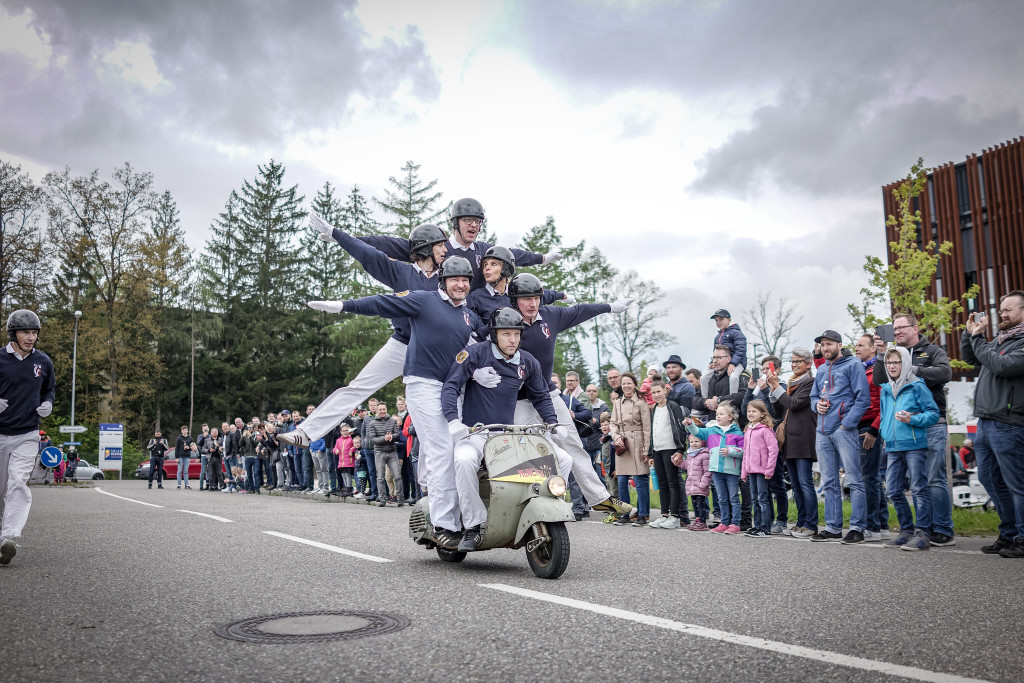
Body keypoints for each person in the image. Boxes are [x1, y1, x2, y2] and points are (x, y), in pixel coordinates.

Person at [308, 256, 485, 548]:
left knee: (459, 451)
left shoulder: (468, 315)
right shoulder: (423, 300)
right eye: (455, 279)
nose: (461, 284)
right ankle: (444, 525)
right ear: (443, 281)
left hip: (454, 389)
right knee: (441, 448)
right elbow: (381, 303)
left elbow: (495, 336)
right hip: (424, 385)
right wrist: (342, 306)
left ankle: (457, 516)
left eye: (466, 280)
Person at [279, 216, 448, 456]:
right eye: (440, 245)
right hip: (402, 344)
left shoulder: (450, 279)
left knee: (440, 409)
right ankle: (306, 432)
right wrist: (337, 233)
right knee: (357, 387)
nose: (445, 249)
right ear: (425, 248)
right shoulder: (400, 271)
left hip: (434, 351)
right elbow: (368, 253)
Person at [508, 273, 636, 522]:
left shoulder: (551, 316)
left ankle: (600, 499)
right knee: (521, 450)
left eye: (536, 297)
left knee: (574, 445)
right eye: (525, 299)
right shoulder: (506, 321)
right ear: (514, 300)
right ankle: (521, 503)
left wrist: (610, 307)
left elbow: (581, 310)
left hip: (548, 394)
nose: (532, 304)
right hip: (518, 400)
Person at [442, 307, 573, 551]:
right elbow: (450, 387)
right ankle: (473, 525)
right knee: (463, 459)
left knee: (563, 459)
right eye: (506, 334)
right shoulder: (474, 354)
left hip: (509, 433)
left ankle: (540, 512)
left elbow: (541, 395)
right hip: (476, 433)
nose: (512, 339)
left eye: (516, 334)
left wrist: (552, 422)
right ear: (493, 334)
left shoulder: (527, 360)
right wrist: (453, 421)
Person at [873, 312, 956, 547]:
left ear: (915, 328)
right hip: (900, 432)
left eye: (901, 327)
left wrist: (911, 370)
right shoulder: (891, 355)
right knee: (903, 484)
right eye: (894, 328)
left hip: (931, 424)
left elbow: (944, 373)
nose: (897, 331)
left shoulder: (932, 351)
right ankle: (919, 529)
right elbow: (879, 381)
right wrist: (882, 354)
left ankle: (942, 530)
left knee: (932, 478)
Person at [358, 198, 556, 290]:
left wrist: (543, 258)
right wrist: (347, 240)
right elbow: (390, 244)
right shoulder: (436, 247)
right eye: (468, 220)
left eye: (477, 221)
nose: (473, 225)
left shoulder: (483, 250)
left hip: (473, 320)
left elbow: (513, 254)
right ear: (455, 223)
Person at [961, 292, 1024, 558]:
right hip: (986, 423)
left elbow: (1001, 366)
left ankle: (1022, 537)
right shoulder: (1000, 340)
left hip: (1009, 423)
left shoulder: (1020, 343)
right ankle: (1009, 534)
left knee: (1016, 484)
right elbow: (971, 358)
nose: (1003, 313)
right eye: (1001, 309)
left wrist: (979, 339)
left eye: (1009, 309)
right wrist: (969, 333)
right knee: (988, 478)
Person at [0, 310, 55, 566]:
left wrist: (48, 403)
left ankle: (8, 537)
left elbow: (49, 390)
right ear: (14, 333)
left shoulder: (43, 362)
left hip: (28, 434)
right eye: (26, 332)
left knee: (17, 483)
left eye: (34, 333)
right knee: (2, 489)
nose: (31, 337)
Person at [809, 330, 870, 544]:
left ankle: (857, 528)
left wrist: (846, 424)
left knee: (854, 480)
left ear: (839, 345)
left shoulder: (853, 365)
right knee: (829, 482)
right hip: (822, 431)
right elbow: (813, 397)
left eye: (829, 344)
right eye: (822, 345)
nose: (825, 348)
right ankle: (833, 527)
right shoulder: (822, 369)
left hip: (844, 430)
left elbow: (863, 399)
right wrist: (816, 405)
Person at [878, 346, 940, 551]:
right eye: (889, 363)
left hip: (914, 445)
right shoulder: (886, 389)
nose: (892, 366)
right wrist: (885, 435)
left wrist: (912, 418)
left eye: (897, 362)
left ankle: (923, 533)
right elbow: (885, 416)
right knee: (894, 490)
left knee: (918, 489)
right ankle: (906, 530)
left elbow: (933, 414)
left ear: (905, 363)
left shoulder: (917, 386)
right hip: (892, 446)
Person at [692, 344, 752, 529]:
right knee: (717, 480)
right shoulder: (710, 378)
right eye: (713, 357)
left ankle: (744, 519)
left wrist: (719, 400)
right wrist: (706, 402)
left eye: (719, 357)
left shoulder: (740, 375)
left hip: (736, 432)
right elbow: (694, 400)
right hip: (715, 433)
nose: (715, 361)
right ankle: (722, 517)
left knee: (740, 483)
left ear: (729, 358)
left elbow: (745, 396)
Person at [766, 348, 818, 537]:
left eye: (798, 361)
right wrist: (774, 388)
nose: (794, 364)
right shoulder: (791, 384)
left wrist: (777, 387)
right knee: (795, 484)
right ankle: (801, 521)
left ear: (808, 363)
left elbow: (794, 404)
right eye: (792, 361)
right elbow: (781, 410)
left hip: (803, 438)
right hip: (790, 440)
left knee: (805, 483)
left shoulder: (811, 382)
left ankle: (811, 524)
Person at [742, 355, 788, 534]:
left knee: (776, 484)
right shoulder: (758, 389)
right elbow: (746, 408)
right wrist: (751, 389)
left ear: (776, 370)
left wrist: (768, 389)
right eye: (762, 370)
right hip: (755, 450)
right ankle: (763, 523)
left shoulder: (781, 386)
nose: (763, 373)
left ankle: (781, 520)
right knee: (760, 493)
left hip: (772, 438)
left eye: (766, 370)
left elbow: (772, 411)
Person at [466, 245, 569, 322]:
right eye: (485, 265)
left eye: (493, 264)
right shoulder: (475, 298)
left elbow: (544, 295)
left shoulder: (517, 293)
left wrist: (563, 296)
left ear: (506, 269)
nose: (487, 268)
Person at [685, 402, 744, 534]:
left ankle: (735, 523)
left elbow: (744, 450)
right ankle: (724, 522)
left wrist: (731, 450)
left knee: (733, 498)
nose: (718, 416)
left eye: (721, 414)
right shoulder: (711, 430)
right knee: (721, 498)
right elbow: (697, 432)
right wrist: (690, 424)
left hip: (732, 471)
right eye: (717, 414)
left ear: (730, 417)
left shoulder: (737, 432)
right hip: (716, 470)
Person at [609, 373, 652, 526]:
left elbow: (647, 428)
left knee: (640, 480)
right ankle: (625, 514)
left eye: (629, 383)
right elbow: (613, 423)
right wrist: (616, 436)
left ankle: (643, 514)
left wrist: (647, 449)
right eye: (623, 383)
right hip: (623, 443)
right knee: (621, 480)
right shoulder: (617, 403)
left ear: (634, 384)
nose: (626, 386)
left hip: (638, 441)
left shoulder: (641, 402)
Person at [853, 334, 885, 541]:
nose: (856, 348)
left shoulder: (878, 371)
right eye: (855, 345)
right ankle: (880, 523)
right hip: (858, 425)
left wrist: (874, 430)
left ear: (873, 349)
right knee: (871, 476)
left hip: (870, 426)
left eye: (861, 345)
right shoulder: (860, 369)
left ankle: (872, 526)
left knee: (868, 478)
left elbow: (885, 402)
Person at [551, 374, 594, 521]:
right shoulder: (542, 401)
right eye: (550, 383)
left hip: (570, 441)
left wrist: (574, 414)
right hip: (552, 443)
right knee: (554, 476)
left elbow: (588, 413)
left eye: (555, 382)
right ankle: (557, 507)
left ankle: (578, 509)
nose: (553, 385)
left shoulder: (569, 400)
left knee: (574, 476)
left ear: (559, 384)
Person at [647, 382, 690, 529]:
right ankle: (664, 514)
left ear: (665, 391)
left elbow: (680, 428)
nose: (656, 395)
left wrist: (680, 449)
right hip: (658, 450)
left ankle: (675, 516)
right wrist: (651, 453)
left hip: (671, 448)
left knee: (673, 483)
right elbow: (653, 431)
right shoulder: (653, 409)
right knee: (662, 484)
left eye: (659, 391)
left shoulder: (673, 406)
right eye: (653, 393)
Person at [741, 400, 779, 538]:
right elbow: (746, 453)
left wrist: (769, 470)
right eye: (749, 411)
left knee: (763, 499)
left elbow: (773, 450)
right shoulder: (748, 430)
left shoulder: (765, 430)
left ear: (762, 414)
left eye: (754, 411)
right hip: (751, 470)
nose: (751, 414)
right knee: (754, 499)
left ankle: (765, 528)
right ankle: (757, 526)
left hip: (762, 471)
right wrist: (744, 471)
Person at [368, 402, 403, 508]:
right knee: (380, 477)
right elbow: (373, 439)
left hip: (392, 452)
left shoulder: (393, 421)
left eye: (384, 409)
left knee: (397, 476)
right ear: (377, 411)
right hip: (379, 453)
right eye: (380, 410)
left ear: (386, 409)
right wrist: (384, 438)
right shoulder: (372, 423)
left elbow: (398, 435)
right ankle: (382, 499)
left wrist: (392, 436)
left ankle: (400, 499)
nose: (382, 411)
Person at [707, 308, 748, 393]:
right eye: (716, 320)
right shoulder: (717, 337)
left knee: (733, 377)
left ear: (729, 320)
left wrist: (733, 363)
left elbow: (741, 350)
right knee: (704, 378)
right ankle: (706, 401)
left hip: (737, 363)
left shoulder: (737, 333)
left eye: (721, 319)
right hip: (721, 363)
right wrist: (711, 362)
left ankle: (732, 399)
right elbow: (715, 352)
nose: (718, 322)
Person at [682, 433, 711, 531]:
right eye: (692, 442)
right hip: (691, 484)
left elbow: (707, 471)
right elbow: (686, 466)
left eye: (696, 441)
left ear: (702, 442)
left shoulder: (705, 455)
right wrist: (677, 462)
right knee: (695, 504)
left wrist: (703, 483)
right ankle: (698, 520)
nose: (694, 444)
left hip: (700, 485)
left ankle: (702, 522)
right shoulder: (690, 455)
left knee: (701, 504)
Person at [582, 384, 610, 478]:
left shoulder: (603, 407)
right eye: (589, 391)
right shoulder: (581, 406)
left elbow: (608, 425)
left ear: (597, 393)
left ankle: (605, 493)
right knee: (588, 476)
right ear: (585, 393)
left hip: (599, 445)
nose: (591, 393)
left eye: (594, 391)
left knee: (601, 474)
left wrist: (595, 421)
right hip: (585, 445)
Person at [174, 425, 197, 490]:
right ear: (181, 431)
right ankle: (178, 485)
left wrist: (188, 448)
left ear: (187, 431)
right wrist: (176, 457)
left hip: (187, 456)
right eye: (183, 430)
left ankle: (186, 485)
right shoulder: (179, 438)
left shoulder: (190, 438)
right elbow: (176, 448)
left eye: (186, 430)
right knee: (179, 471)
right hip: (180, 456)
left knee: (186, 471)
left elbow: (193, 447)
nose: (185, 431)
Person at [206, 427, 224, 492]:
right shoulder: (207, 440)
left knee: (219, 473)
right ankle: (212, 486)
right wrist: (209, 450)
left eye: (215, 431)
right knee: (211, 473)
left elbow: (223, 448)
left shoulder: (221, 440)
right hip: (210, 458)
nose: (214, 433)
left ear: (217, 432)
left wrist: (219, 447)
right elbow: (203, 449)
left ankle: (222, 486)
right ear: (210, 433)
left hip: (218, 457)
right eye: (213, 431)